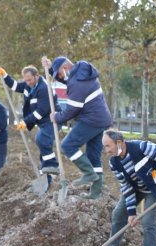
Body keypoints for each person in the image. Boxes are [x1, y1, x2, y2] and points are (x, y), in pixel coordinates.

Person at [41, 56, 113, 199]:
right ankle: (95, 193)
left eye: (59, 73)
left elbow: (71, 110)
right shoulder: (82, 74)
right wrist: (49, 69)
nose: (60, 78)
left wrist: (56, 117)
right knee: (93, 155)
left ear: (66, 68)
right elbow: (67, 80)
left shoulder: (79, 84)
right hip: (101, 119)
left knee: (67, 145)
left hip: (91, 120)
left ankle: (88, 173)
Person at [0, 65, 60, 177]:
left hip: (53, 119)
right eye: (26, 80)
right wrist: (5, 75)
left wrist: (25, 121)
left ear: (37, 76)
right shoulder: (28, 85)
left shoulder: (44, 88)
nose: (28, 82)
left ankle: (52, 166)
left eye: (30, 79)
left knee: (42, 139)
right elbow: (15, 86)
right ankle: (47, 174)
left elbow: (41, 111)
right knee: (43, 144)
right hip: (43, 121)